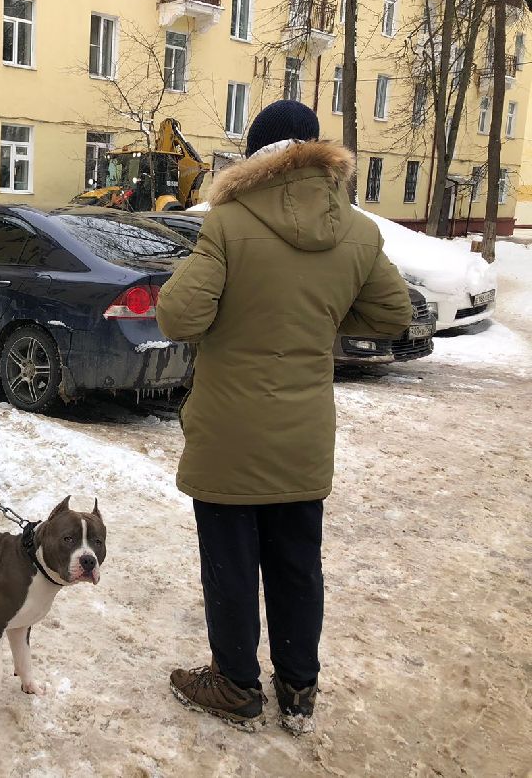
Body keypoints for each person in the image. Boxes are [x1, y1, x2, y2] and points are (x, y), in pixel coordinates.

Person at [156, 100, 412, 735]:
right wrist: (320, 320)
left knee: (232, 565)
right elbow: (389, 315)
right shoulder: (357, 230)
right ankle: (298, 690)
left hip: (228, 435)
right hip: (303, 437)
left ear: (256, 157)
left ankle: (236, 686)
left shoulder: (228, 222)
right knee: (299, 564)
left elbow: (179, 318)